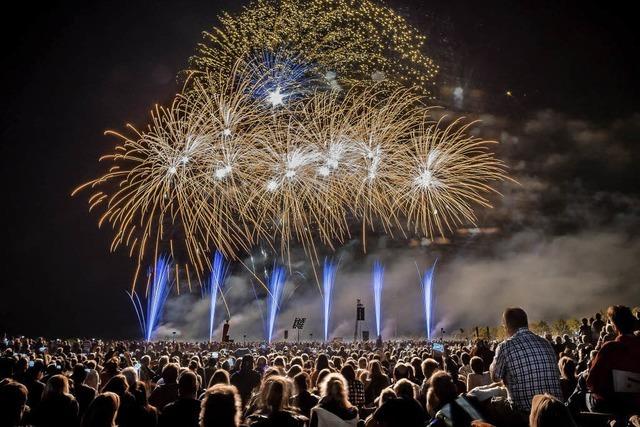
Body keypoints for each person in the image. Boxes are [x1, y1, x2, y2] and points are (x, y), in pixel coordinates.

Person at [489, 307, 562, 427]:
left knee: (493, 404)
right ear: (525, 323)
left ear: (506, 326)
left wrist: (494, 366)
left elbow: (495, 377)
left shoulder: (505, 346)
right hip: (556, 411)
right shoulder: (546, 343)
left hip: (527, 414)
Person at [586, 305, 640, 414]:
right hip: (637, 403)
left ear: (615, 326)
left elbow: (592, 383)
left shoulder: (610, 348)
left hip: (616, 406)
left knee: (585, 394)